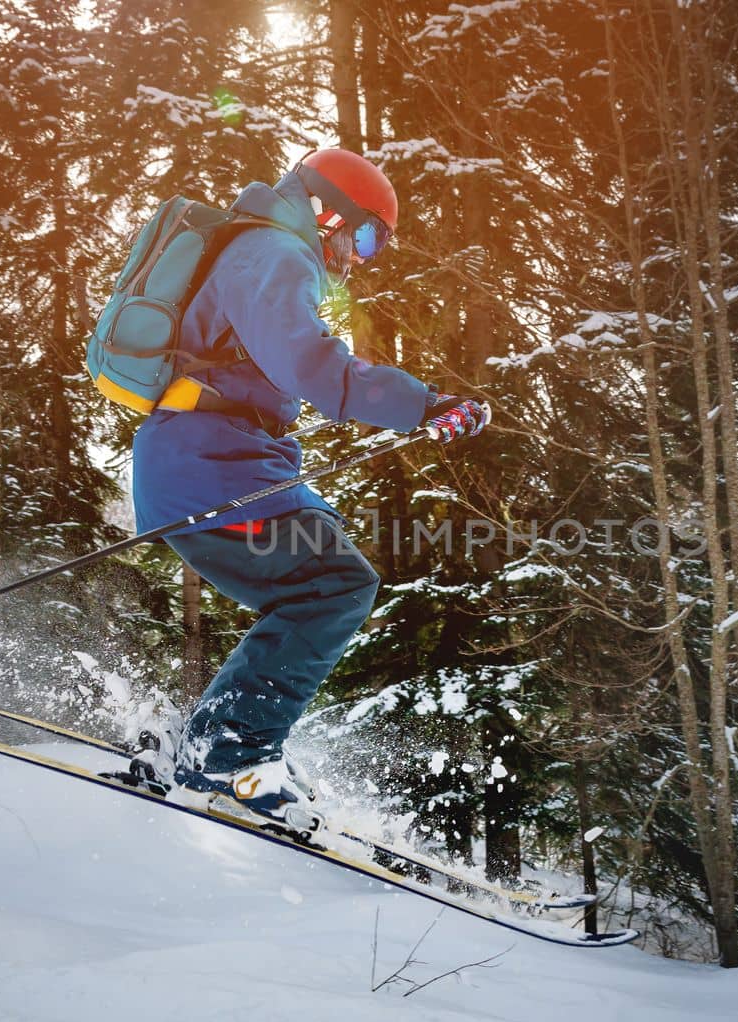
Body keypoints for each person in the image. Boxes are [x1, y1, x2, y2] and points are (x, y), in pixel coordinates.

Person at [124, 148, 489, 835]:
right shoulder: (273, 252)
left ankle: (208, 742)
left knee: (324, 583)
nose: (363, 256)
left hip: (213, 464)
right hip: (211, 467)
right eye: (368, 236)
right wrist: (425, 404)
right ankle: (230, 756)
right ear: (328, 212)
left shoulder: (260, 251)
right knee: (335, 583)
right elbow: (313, 366)